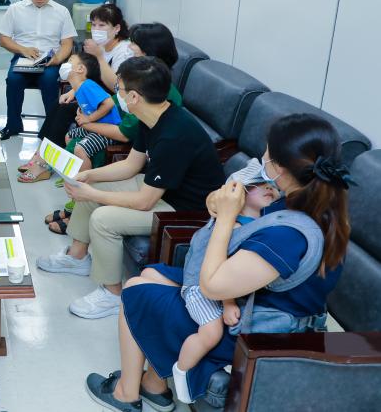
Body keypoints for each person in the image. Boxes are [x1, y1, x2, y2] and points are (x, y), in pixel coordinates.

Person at [86, 114, 352, 411]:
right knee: (151, 274)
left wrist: (225, 217)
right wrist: (217, 202)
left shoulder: (287, 236)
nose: (262, 159)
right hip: (255, 300)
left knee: (135, 291)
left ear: (280, 168)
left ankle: (126, 394)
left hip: (256, 330)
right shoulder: (311, 200)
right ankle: (153, 385)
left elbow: (212, 286)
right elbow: (236, 205)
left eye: (267, 154)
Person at [35, 56, 225, 319]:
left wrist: (93, 193)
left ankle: (112, 295)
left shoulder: (174, 135)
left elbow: (145, 201)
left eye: (120, 90)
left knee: (103, 219)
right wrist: (88, 176)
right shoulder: (152, 117)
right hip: (161, 190)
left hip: (183, 209)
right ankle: (77, 257)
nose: (117, 96)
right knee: (91, 185)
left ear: (134, 96)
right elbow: (131, 165)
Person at [40, 22, 183, 227]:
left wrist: (87, 123)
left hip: (124, 138)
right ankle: (72, 199)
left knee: (81, 147)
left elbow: (125, 132)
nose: (129, 47)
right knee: (66, 118)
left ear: (148, 52)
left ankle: (75, 208)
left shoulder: (156, 96)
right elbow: (115, 100)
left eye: (134, 44)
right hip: (120, 130)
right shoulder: (141, 83)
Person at [167, 170, 278, 403]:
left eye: (273, 185)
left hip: (225, 287)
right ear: (238, 195)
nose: (269, 187)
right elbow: (223, 266)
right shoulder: (233, 226)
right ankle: (182, 371)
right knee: (212, 332)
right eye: (258, 185)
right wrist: (228, 303)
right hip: (201, 288)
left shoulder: (264, 222)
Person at [18, 52, 122, 186]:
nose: (65, 64)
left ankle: (83, 181)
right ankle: (65, 166)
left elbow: (109, 103)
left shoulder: (87, 86)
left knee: (79, 147)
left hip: (105, 130)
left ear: (80, 69)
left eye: (70, 61)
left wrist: (89, 118)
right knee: (69, 134)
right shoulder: (79, 87)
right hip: (94, 123)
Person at [0, 0, 77, 140]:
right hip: (23, 57)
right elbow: (3, 39)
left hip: (50, 59)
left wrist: (57, 59)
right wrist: (23, 49)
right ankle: (13, 125)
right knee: (13, 80)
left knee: (49, 80)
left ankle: (51, 129)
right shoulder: (15, 9)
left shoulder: (61, 11)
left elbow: (67, 43)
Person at [82, 3, 135, 92]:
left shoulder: (125, 50)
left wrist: (99, 57)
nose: (96, 29)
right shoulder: (102, 44)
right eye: (93, 24)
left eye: (102, 25)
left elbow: (118, 89)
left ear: (117, 28)